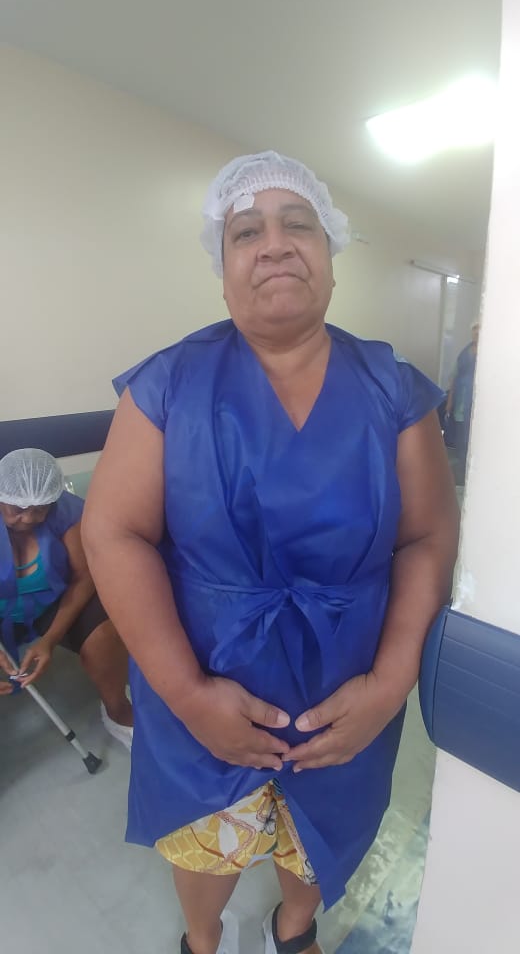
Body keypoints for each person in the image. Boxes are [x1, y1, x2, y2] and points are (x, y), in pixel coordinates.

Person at [82, 151, 459, 954]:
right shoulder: (167, 386)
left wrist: (390, 684)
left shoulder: (394, 388)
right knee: (204, 838)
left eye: (299, 225)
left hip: (350, 685)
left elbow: (427, 537)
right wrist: (188, 694)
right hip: (202, 673)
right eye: (246, 231)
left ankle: (293, 928)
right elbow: (114, 534)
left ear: (331, 258)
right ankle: (202, 938)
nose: (276, 243)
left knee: (324, 828)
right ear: (222, 274)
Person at [0, 448, 133, 749]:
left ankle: (117, 711)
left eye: (39, 509)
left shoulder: (67, 513)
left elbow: (83, 577)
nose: (27, 518)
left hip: (49, 602)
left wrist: (50, 639)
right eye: (17, 508)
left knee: (103, 634)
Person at [444, 320, 479, 484]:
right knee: (461, 441)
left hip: (476, 406)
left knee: (472, 441)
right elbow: (453, 378)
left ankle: (471, 478)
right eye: (474, 329)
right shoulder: (464, 353)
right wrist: (449, 402)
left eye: (480, 329)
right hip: (461, 404)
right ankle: (461, 477)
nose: (477, 332)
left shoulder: (488, 353)